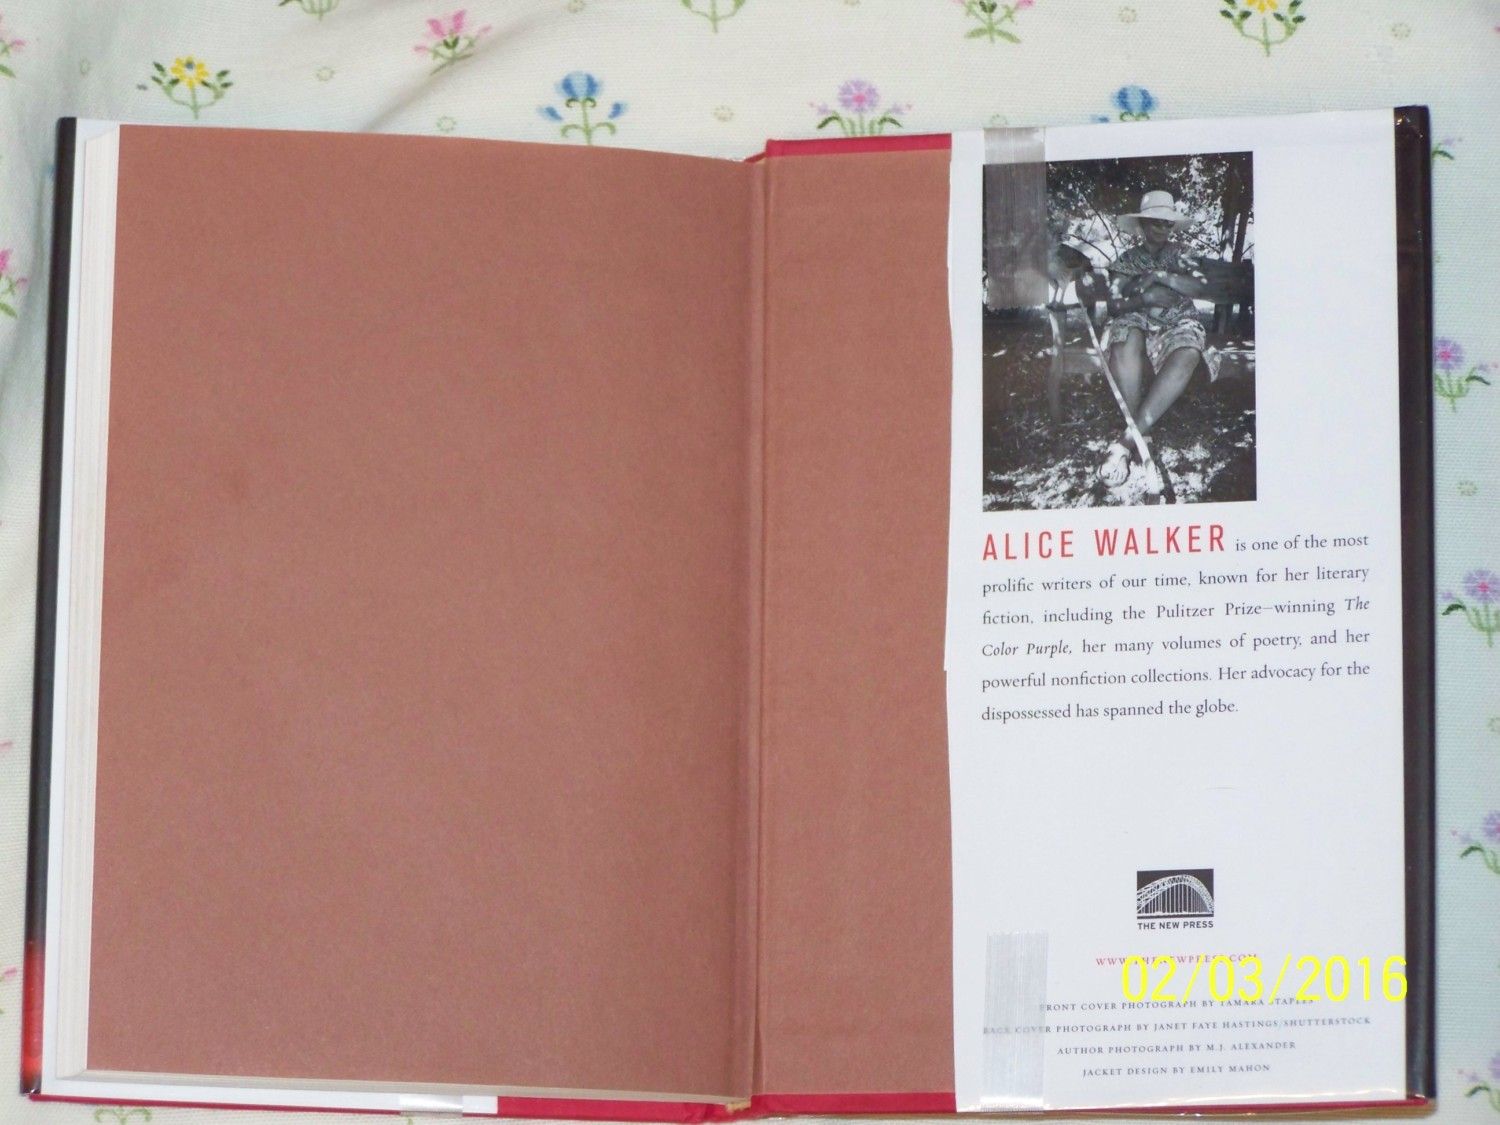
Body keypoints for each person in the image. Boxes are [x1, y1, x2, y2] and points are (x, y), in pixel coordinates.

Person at [1097, 190, 1221, 489]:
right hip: (1137, 319)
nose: (1163, 228)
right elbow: (1114, 304)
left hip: (1177, 323)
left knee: (1189, 351)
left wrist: (1160, 276)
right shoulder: (1127, 260)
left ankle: (1127, 441)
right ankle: (1142, 432)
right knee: (1124, 338)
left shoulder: (1182, 254)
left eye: (1168, 223)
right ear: (1142, 224)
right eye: (1156, 222)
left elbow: (1200, 288)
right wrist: (1145, 298)